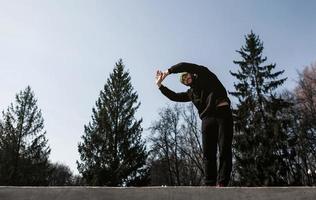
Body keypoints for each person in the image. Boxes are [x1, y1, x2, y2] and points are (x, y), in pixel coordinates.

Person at [155, 62, 233, 187]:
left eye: (186, 76)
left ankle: (223, 182)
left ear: (191, 73)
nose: (186, 79)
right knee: (208, 153)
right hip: (207, 120)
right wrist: (160, 86)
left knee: (224, 148)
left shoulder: (204, 75)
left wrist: (168, 71)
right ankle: (210, 183)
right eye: (184, 80)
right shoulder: (191, 93)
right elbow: (175, 96)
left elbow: (187, 65)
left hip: (221, 113)